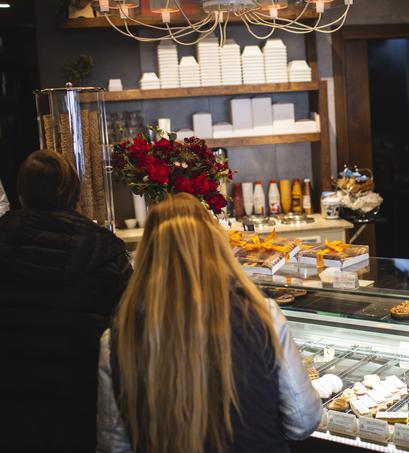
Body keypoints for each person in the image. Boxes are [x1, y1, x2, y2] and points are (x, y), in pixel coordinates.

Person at [96, 193, 322, 453]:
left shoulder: (117, 339)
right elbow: (304, 421)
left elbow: (114, 446)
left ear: (147, 255)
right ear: (215, 245)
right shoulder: (262, 313)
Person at [0, 150, 132, 451]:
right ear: (75, 192)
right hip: (83, 404)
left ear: (21, 193)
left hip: (9, 408)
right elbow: (128, 327)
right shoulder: (105, 250)